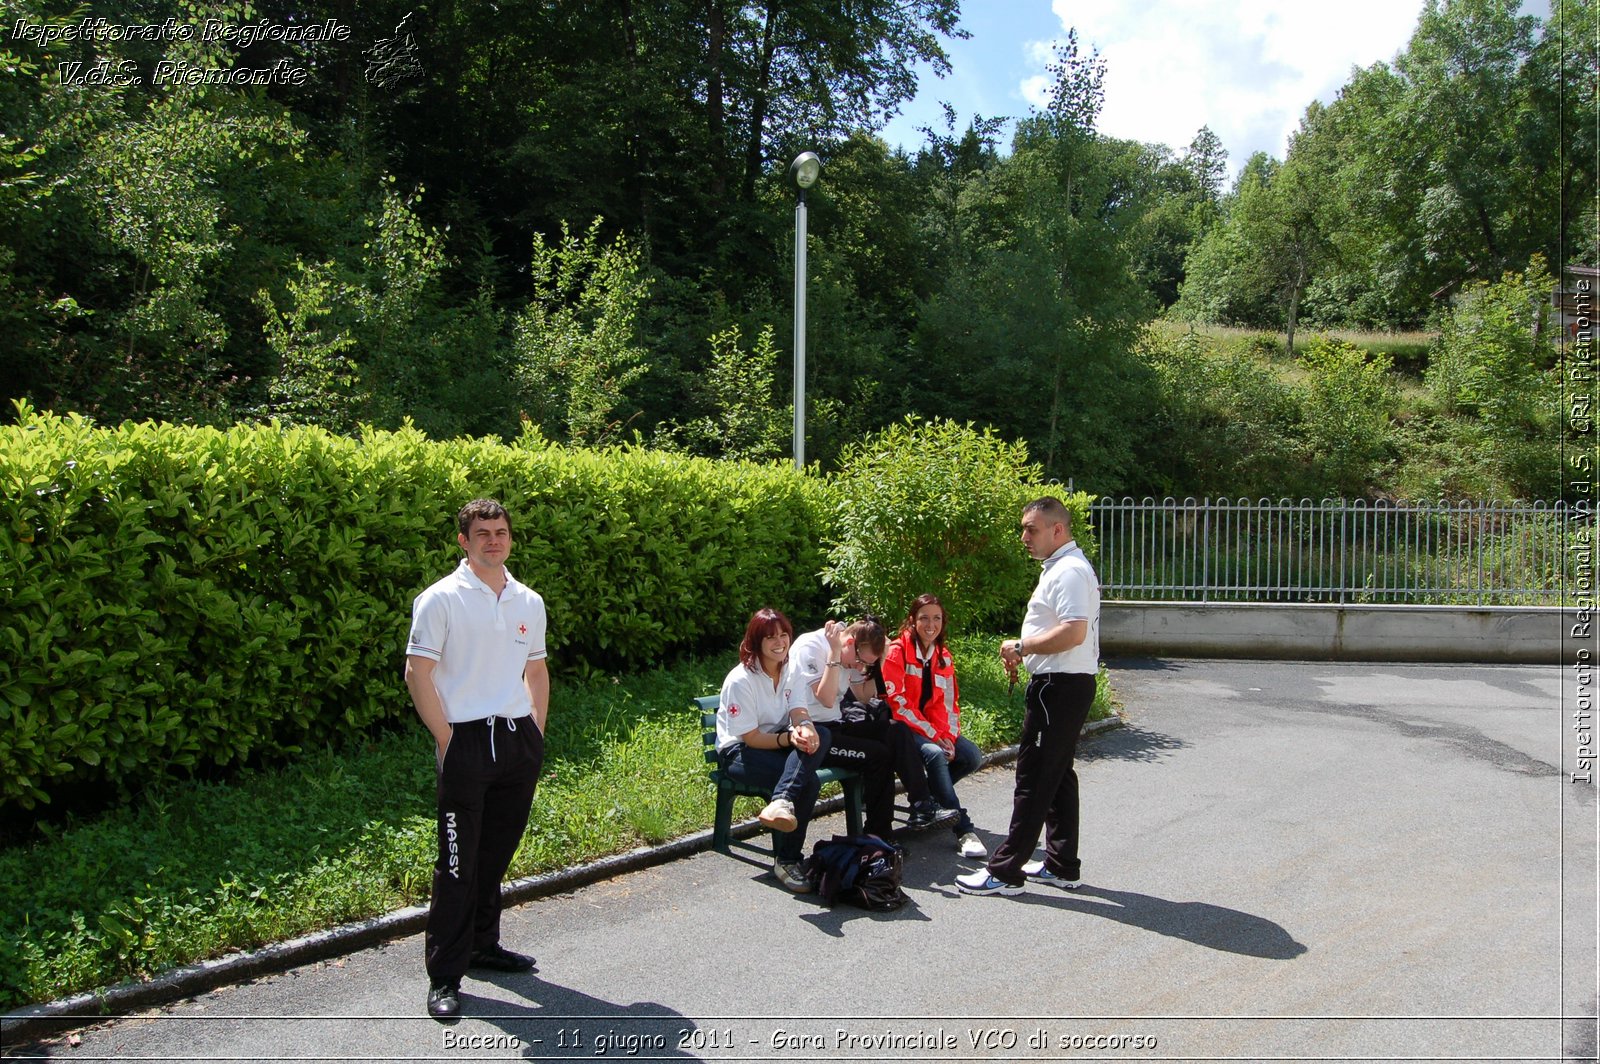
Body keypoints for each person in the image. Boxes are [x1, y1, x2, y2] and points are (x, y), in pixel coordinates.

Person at [405, 498, 549, 1018]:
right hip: (465, 742)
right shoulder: (440, 600)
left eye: (501, 531)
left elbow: (537, 670)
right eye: (482, 532)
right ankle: (445, 974)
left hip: (516, 742)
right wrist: (447, 739)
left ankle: (483, 946)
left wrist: (535, 730)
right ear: (463, 541)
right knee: (458, 864)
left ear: (511, 538)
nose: (494, 539)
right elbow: (417, 674)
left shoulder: (528, 601)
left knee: (494, 856)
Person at [957, 496, 1100, 897]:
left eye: (1031, 529)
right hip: (1065, 684)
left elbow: (1074, 632)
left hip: (1059, 686)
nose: (1024, 537)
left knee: (1034, 777)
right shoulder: (1064, 567)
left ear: (1058, 529)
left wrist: (1024, 647)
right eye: (1023, 528)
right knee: (1057, 777)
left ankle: (1004, 871)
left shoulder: (1069, 571)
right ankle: (1061, 864)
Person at [784, 618, 954, 841]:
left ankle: (922, 806)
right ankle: (878, 835)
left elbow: (864, 696)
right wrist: (834, 655)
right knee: (879, 755)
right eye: (858, 661)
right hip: (815, 735)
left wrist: (880, 661)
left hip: (836, 724)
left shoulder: (854, 653)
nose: (858, 667)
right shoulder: (813, 647)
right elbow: (826, 698)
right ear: (849, 642)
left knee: (896, 731)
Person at [715, 608, 828, 892]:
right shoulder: (741, 680)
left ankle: (781, 801)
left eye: (784, 635)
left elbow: (799, 710)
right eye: (770, 638)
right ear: (756, 643)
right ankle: (787, 861)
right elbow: (751, 737)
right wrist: (788, 740)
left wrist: (804, 728)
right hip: (739, 752)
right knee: (809, 781)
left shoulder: (791, 669)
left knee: (822, 733)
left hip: (776, 742)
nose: (780, 642)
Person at [881, 594, 986, 858]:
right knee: (935, 753)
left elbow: (948, 704)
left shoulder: (943, 656)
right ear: (912, 621)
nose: (931, 624)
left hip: (932, 729)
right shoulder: (897, 651)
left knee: (971, 756)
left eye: (936, 618)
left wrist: (948, 736)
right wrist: (935, 737)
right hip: (901, 728)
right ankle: (963, 829)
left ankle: (926, 800)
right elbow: (897, 703)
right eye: (924, 618)